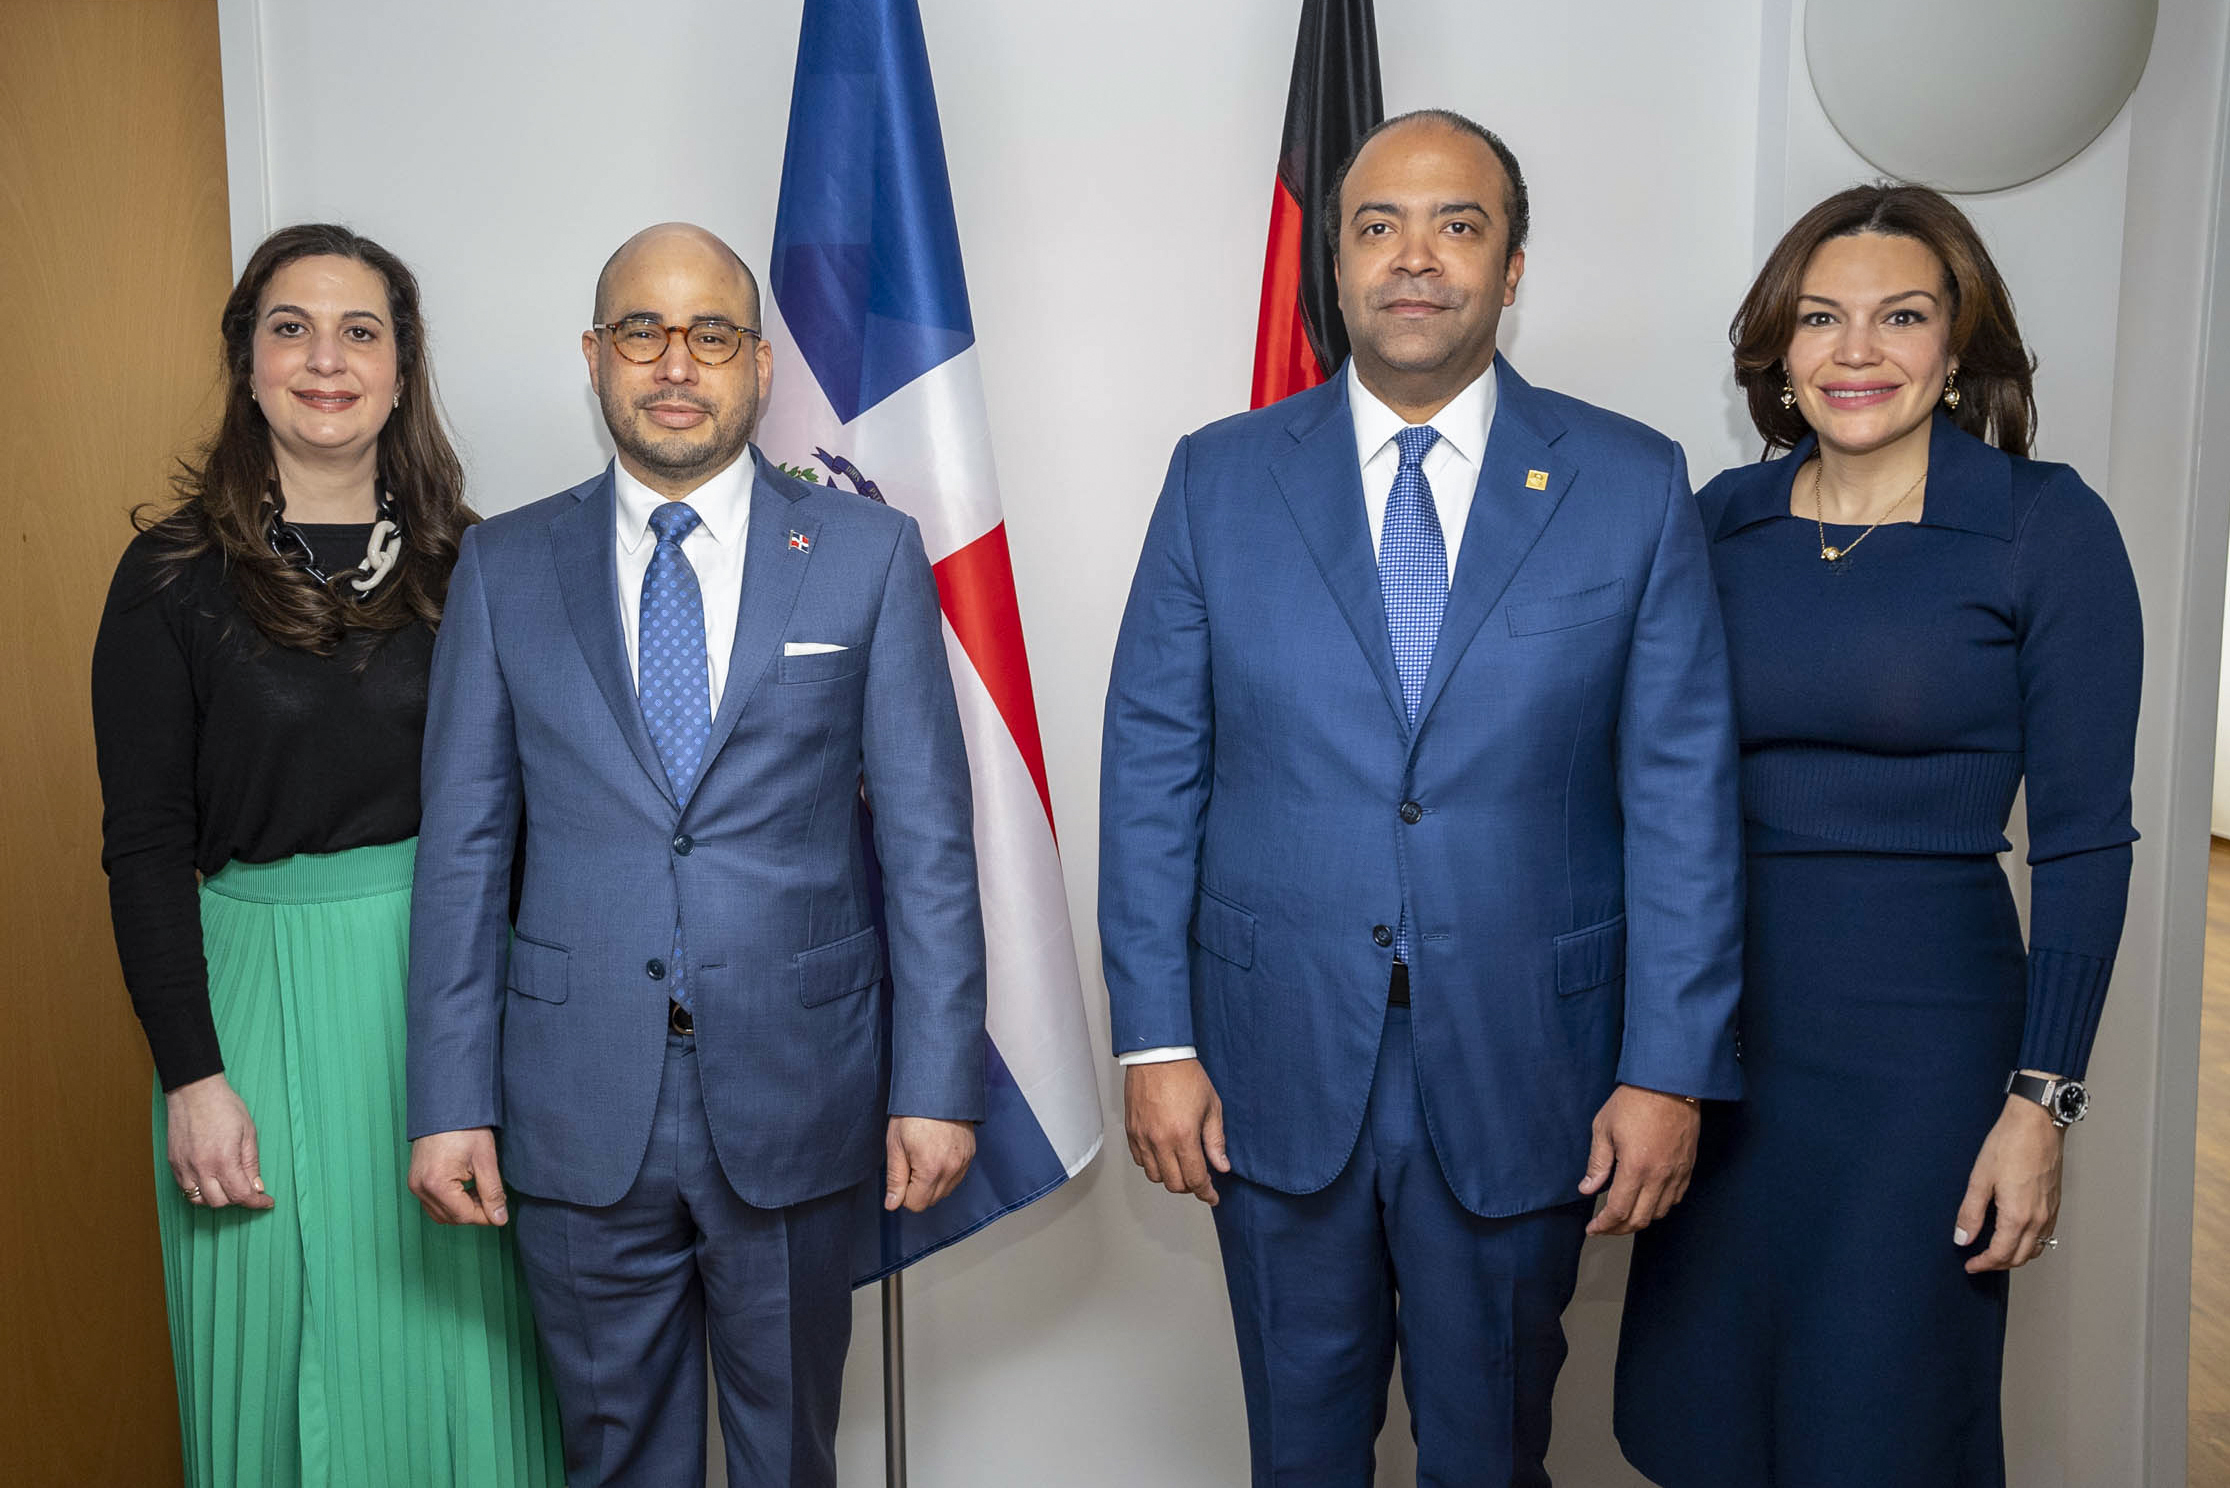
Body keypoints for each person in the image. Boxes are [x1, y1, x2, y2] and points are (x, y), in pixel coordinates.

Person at [1100, 110, 1744, 1485]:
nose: (1414, 257)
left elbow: (1681, 800)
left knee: (1491, 1455)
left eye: (1458, 225)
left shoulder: (1630, 484)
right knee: (1301, 1457)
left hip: (1530, 1063)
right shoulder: (1217, 477)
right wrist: (1154, 1039)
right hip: (1268, 1062)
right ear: (1334, 264)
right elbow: (1153, 768)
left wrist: (1666, 1068)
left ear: (1511, 269)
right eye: (1377, 225)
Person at [404, 221, 986, 1488]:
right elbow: (463, 854)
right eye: (642, 332)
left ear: (759, 367)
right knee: (616, 1459)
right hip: (574, 1102)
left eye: (711, 334)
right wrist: (449, 1099)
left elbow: (930, 843)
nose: (676, 363)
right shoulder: (504, 565)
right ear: (594, 358)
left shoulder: (868, 553)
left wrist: (937, 1080)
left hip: (799, 1089)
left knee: (788, 1457)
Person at [1614, 184, 2142, 1488]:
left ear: (1955, 344)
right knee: (1705, 1417)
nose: (1855, 351)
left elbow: (2083, 840)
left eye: (1899, 316)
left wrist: (2041, 1104)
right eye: (1819, 318)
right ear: (1779, 348)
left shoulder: (2041, 524)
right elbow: (1636, 784)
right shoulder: (1717, 519)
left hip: (1923, 1059)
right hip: (1718, 1045)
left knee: (1880, 1419)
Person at [91, 223, 564, 1487]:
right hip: (251, 1013)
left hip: (449, 996)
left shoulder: (479, 566)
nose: (325, 360)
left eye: (361, 332)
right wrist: (193, 1076)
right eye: (290, 329)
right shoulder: (169, 578)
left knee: (468, 1367)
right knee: (275, 1350)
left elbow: (539, 820)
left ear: (402, 372)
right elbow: (144, 847)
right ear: (246, 364)